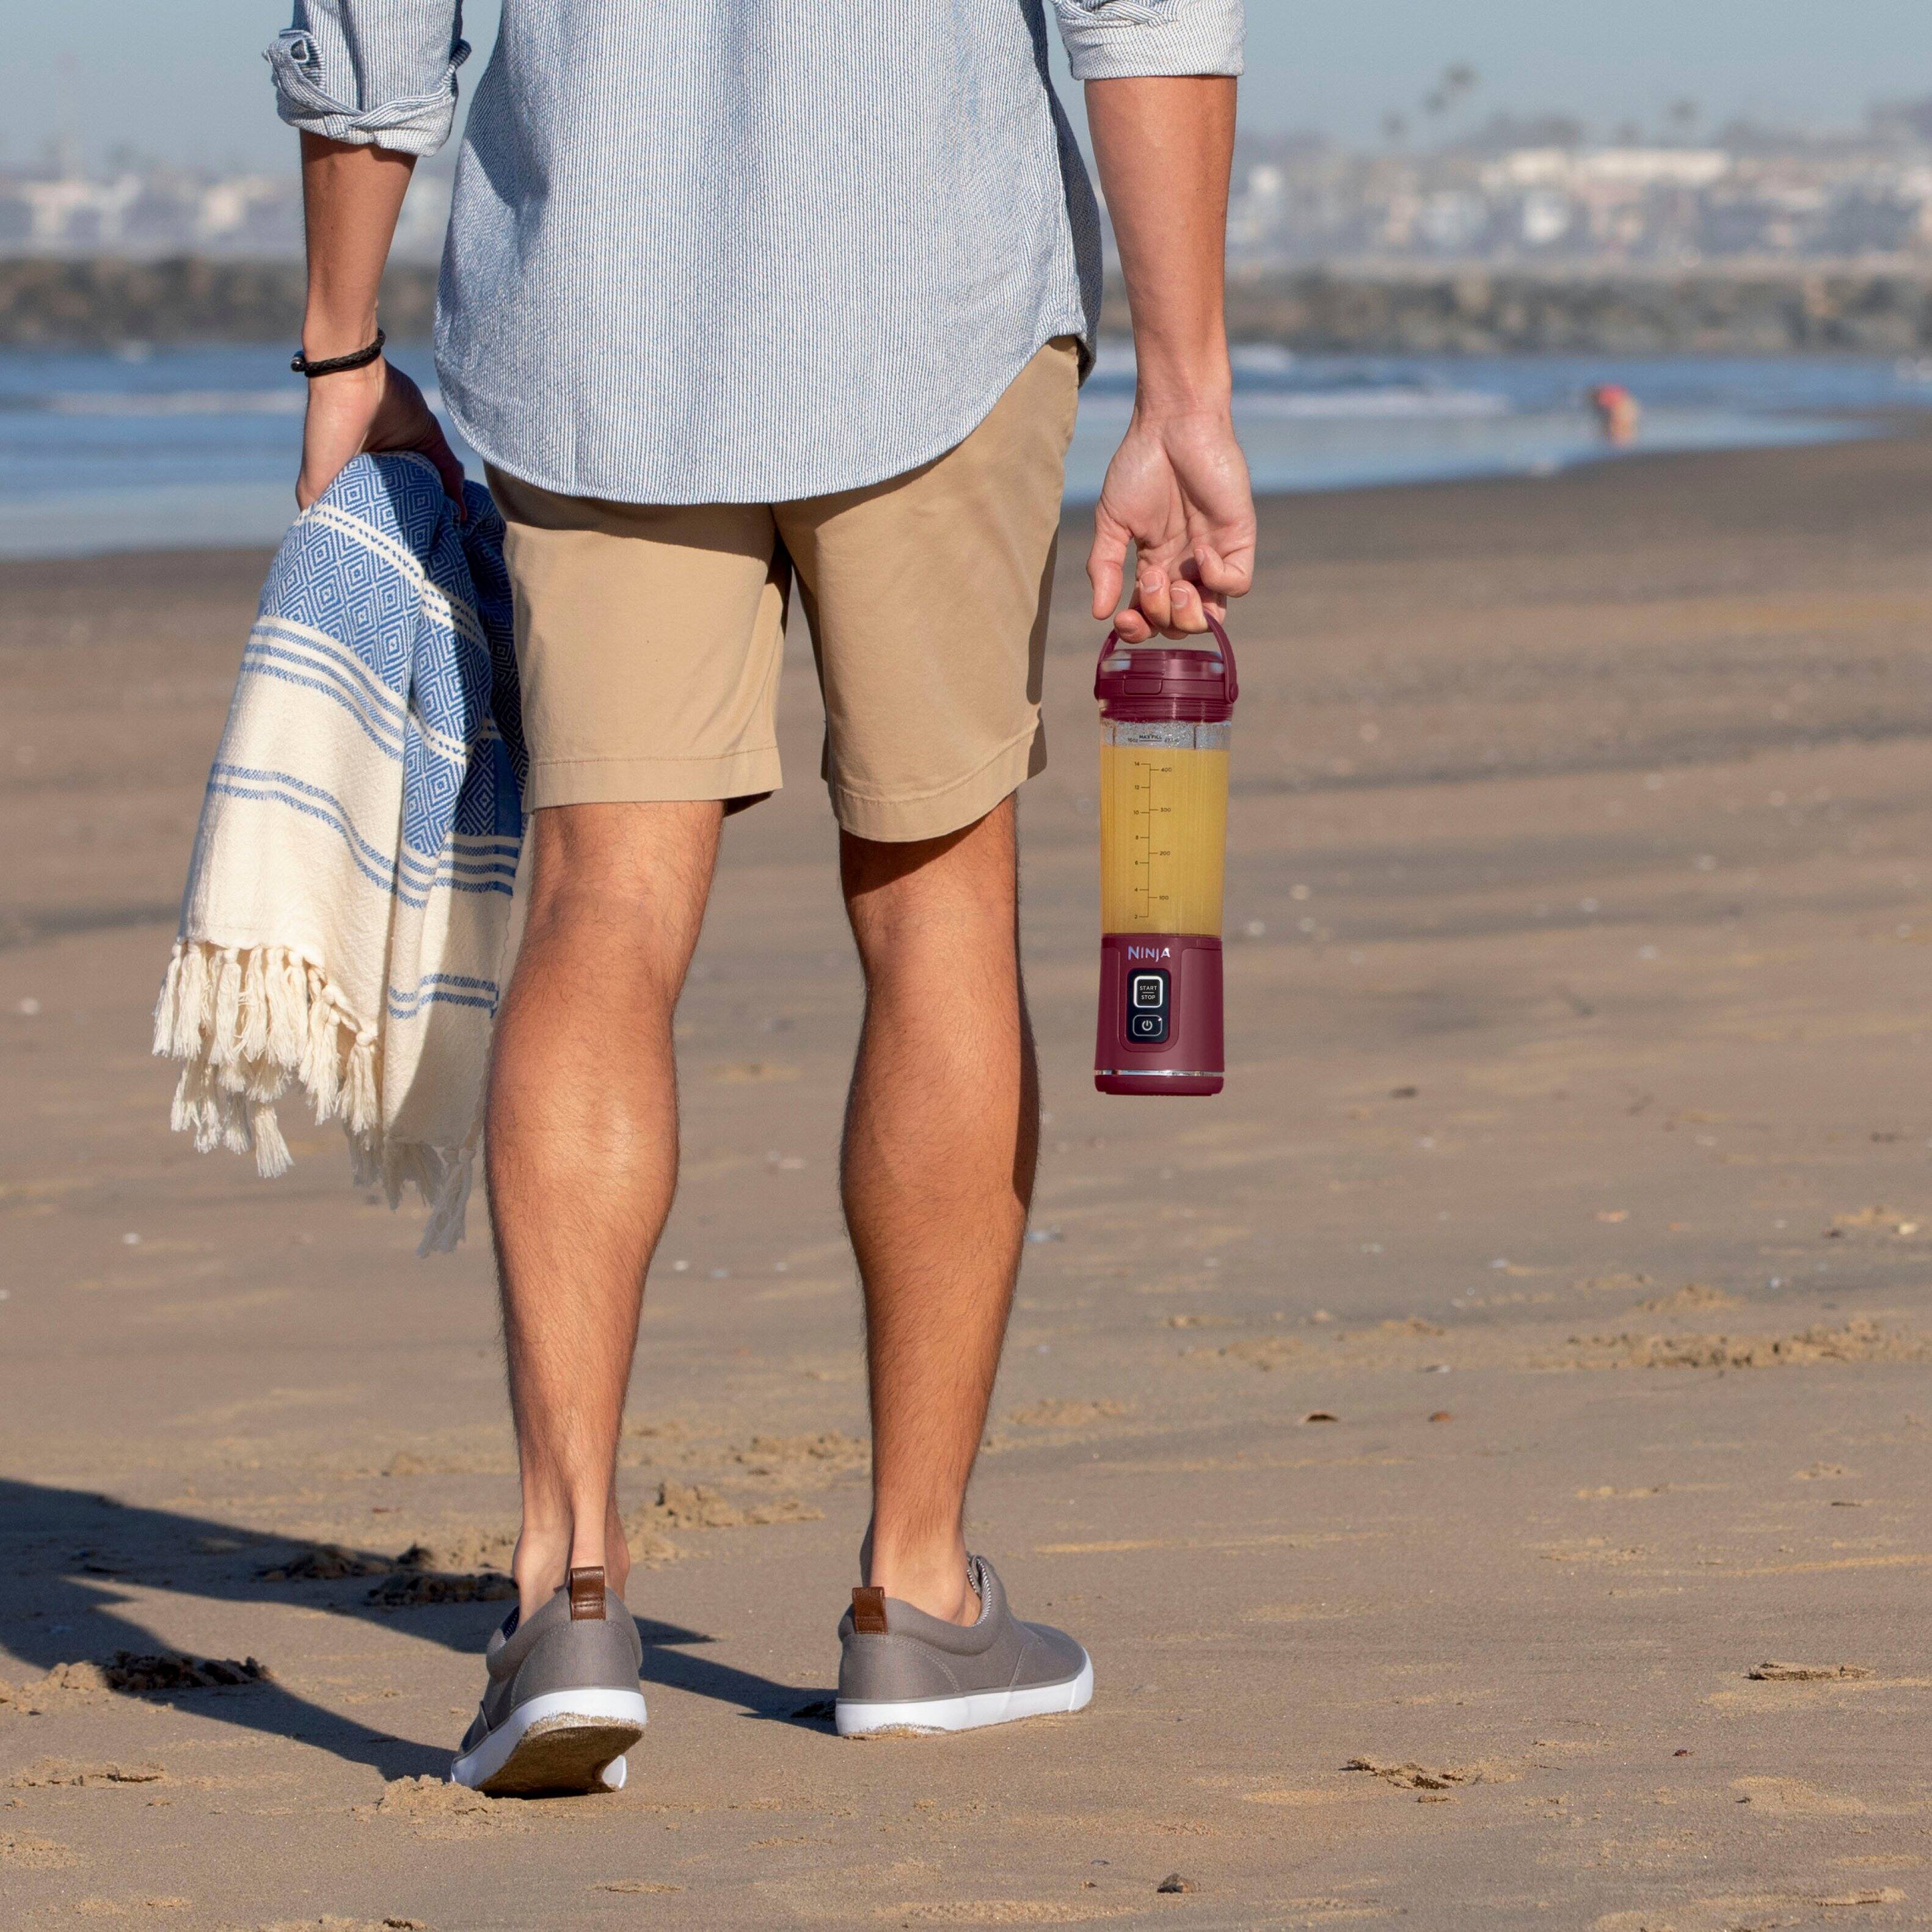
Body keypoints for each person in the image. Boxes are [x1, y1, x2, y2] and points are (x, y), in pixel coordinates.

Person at [272, 0, 1255, 1790]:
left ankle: (566, 1583)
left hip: (600, 303)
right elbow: (1149, 9)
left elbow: (374, 14)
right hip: (929, 290)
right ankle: (917, 1592)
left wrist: (341, 344)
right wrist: (1186, 389)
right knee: (936, 903)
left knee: (602, 906)